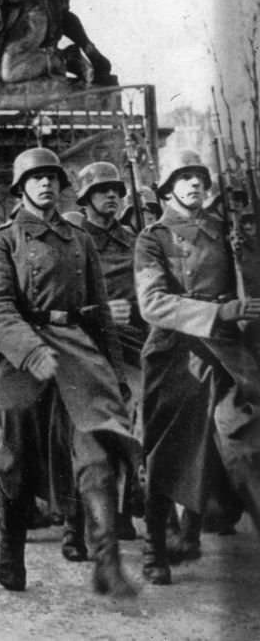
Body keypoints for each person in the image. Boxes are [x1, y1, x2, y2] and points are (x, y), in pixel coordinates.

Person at [0, 147, 138, 597]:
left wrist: (114, 373)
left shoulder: (78, 238)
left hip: (76, 349)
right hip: (18, 352)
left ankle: (103, 555)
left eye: (52, 177)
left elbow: (102, 312)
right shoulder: (3, 240)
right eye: (36, 178)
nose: (46, 184)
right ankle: (11, 546)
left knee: (96, 449)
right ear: (21, 188)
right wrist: (30, 353)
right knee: (16, 450)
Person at [134, 150, 260, 585]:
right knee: (166, 450)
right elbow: (152, 303)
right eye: (184, 178)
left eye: (198, 177)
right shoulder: (154, 238)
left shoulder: (225, 232)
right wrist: (217, 314)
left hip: (227, 351)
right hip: (176, 351)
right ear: (168, 189)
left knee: (244, 444)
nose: (194, 184)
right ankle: (155, 545)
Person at [75, 162, 146, 543]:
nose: (112, 196)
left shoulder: (134, 240)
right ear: (86, 198)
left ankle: (122, 510)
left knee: (132, 421)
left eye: (117, 190)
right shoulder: (74, 239)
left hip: (131, 344)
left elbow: (148, 287)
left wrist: (136, 311)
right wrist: (99, 313)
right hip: (88, 345)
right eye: (103, 190)